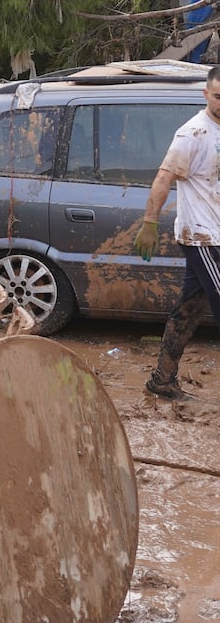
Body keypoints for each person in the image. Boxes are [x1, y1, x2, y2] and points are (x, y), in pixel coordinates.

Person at [133, 65, 220, 399]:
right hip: (202, 237)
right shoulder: (193, 133)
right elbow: (164, 177)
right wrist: (150, 223)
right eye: (217, 97)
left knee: (190, 309)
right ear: (205, 94)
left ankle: (162, 380)